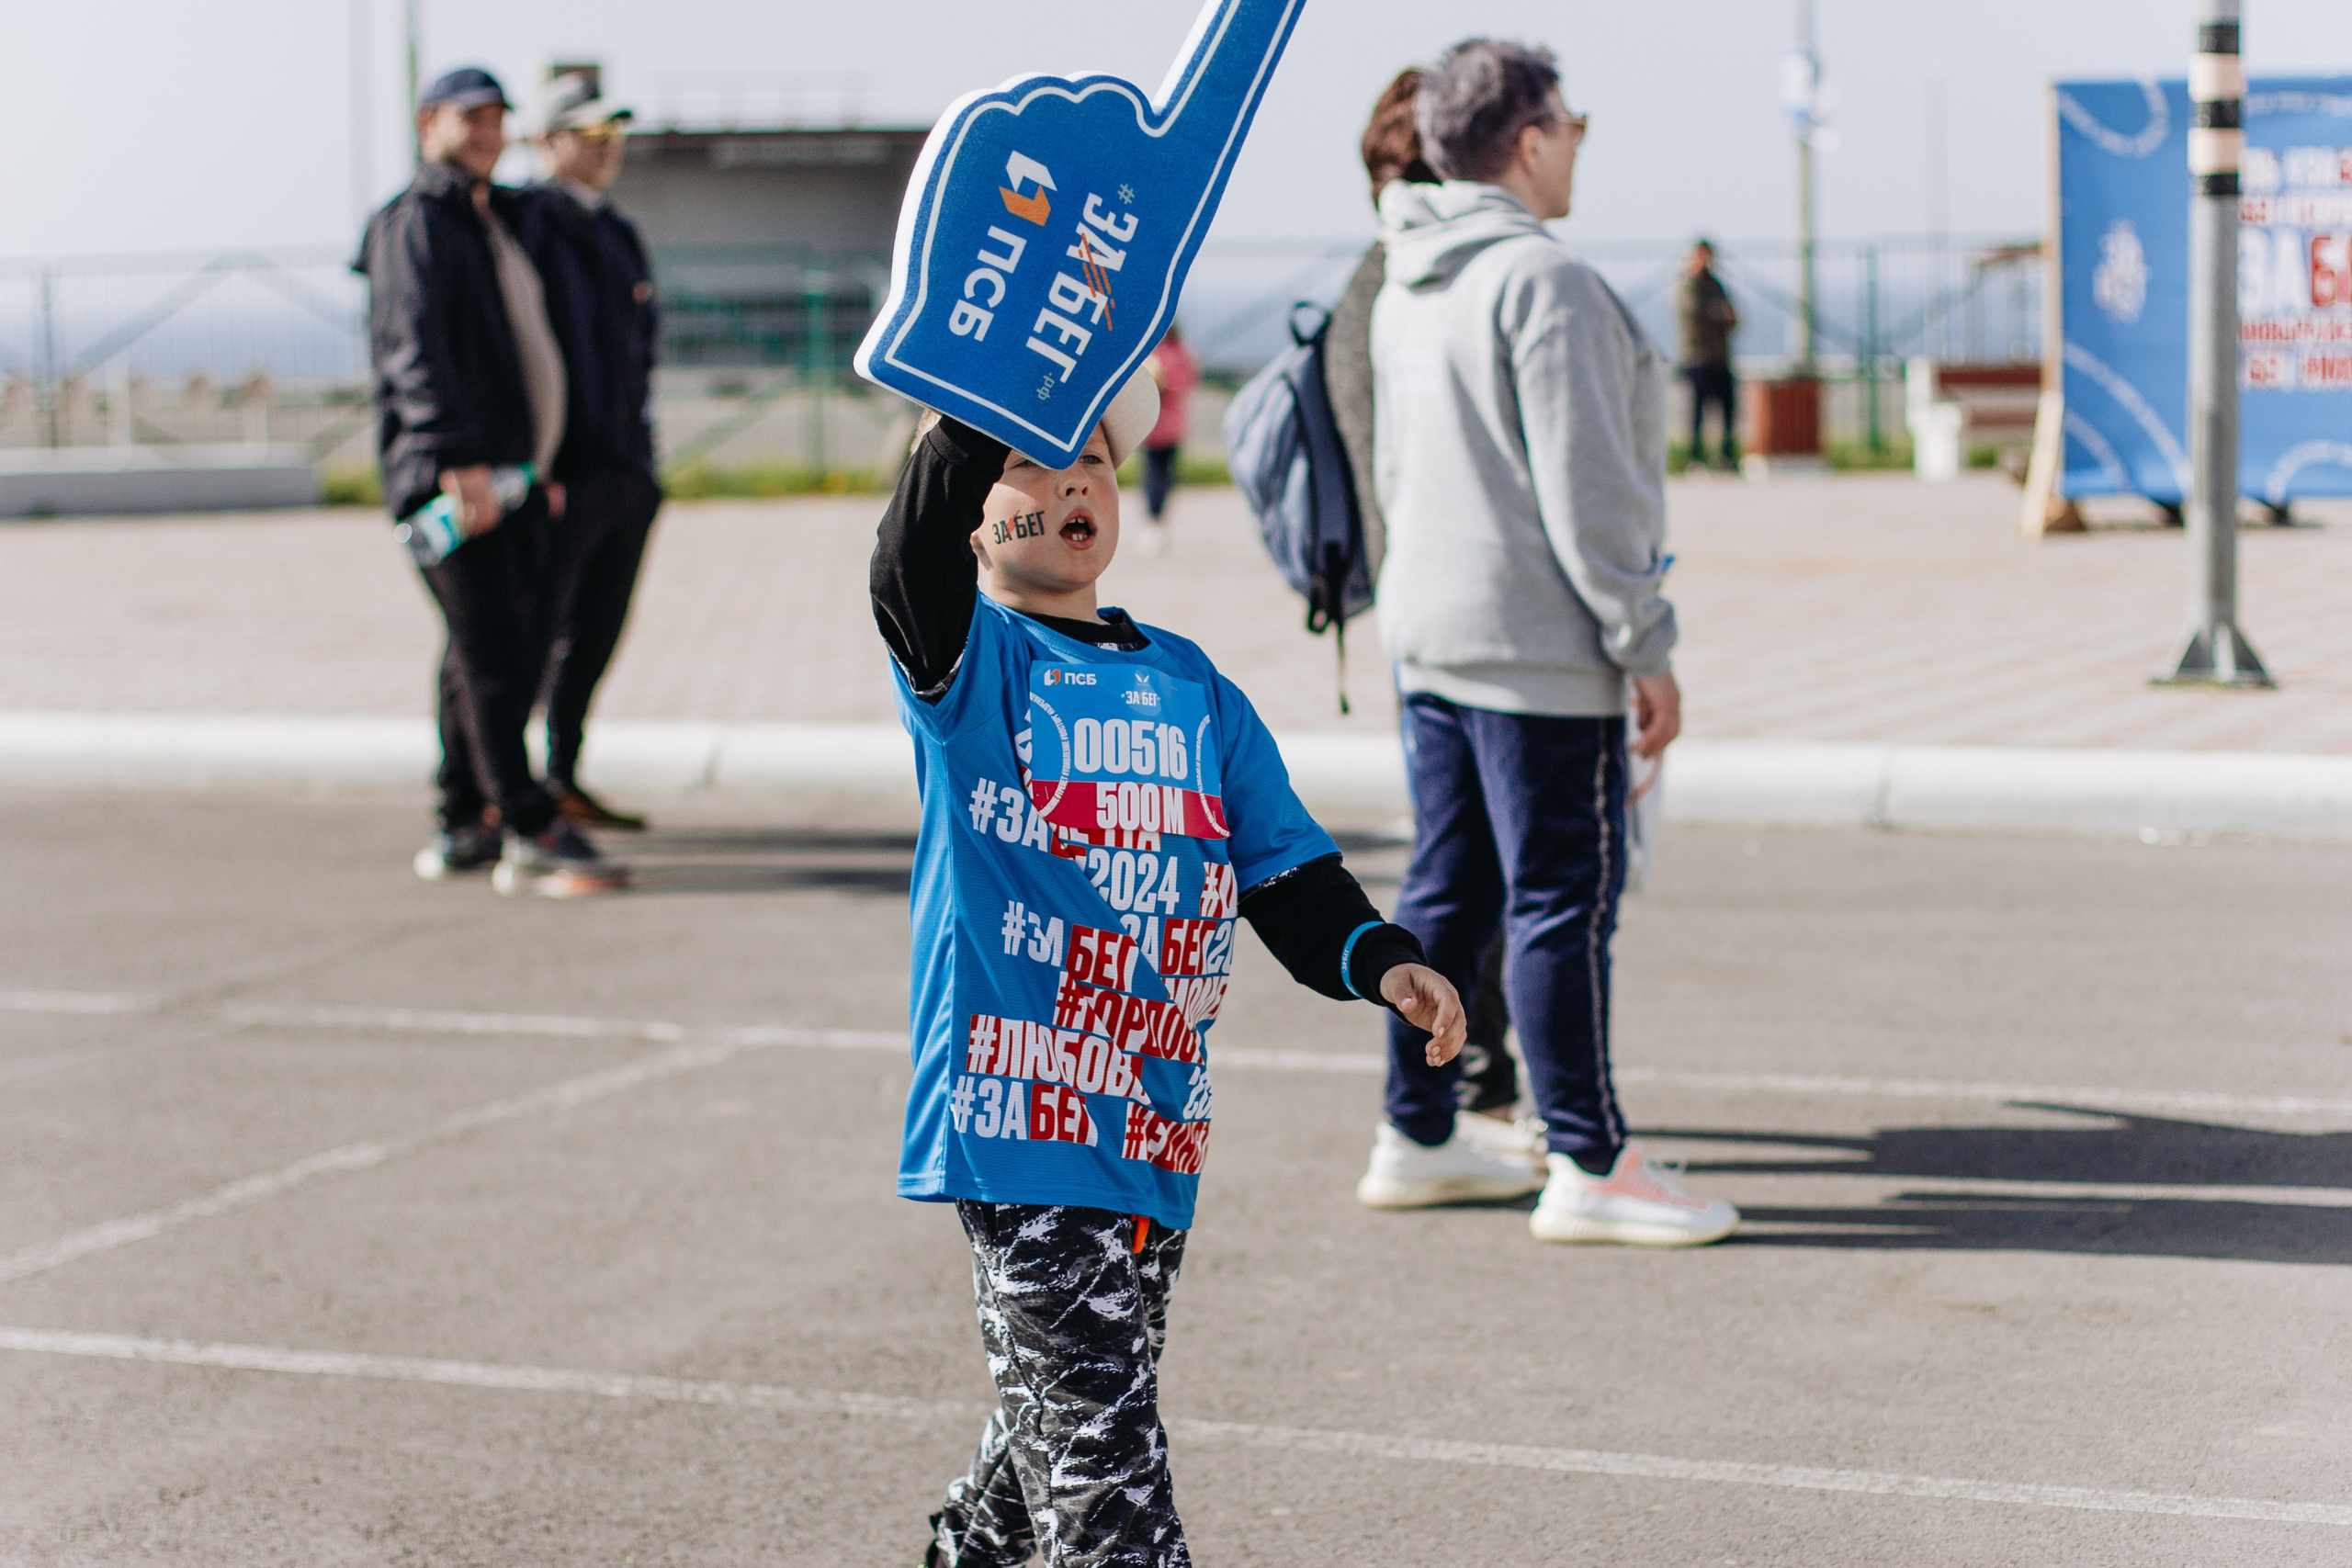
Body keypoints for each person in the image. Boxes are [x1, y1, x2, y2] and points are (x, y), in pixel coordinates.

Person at [873, 374, 1468, 1565]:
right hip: (1020, 1122)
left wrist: (1384, 958)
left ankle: (970, 1552)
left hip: (1151, 1126)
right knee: (1110, 1485)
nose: (1072, 481)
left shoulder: (1191, 683)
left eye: (1089, 458)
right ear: (975, 512)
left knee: (1064, 1408)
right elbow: (908, 555)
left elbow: (1286, 870)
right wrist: (992, 377)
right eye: (1029, 466)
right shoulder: (969, 666)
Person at [1360, 39, 1736, 1246]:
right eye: (1572, 122)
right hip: (1536, 648)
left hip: (1431, 636)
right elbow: (1594, 494)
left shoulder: (1409, 272)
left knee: (1449, 885)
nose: (1577, 141)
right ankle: (1586, 1153)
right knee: (1560, 897)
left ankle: (1415, 1128)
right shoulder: (1545, 282)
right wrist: (1646, 641)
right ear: (1528, 139)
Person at [357, 66, 626, 897]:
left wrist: (531, 470)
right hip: (456, 481)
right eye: (470, 118)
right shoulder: (417, 223)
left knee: (470, 653)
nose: (486, 132)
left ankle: (461, 818)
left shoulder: (487, 216)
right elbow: (415, 348)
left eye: (496, 118)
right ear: (427, 121)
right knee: (496, 648)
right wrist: (456, 460)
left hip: (507, 478)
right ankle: (526, 821)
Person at [1327, 70, 1531, 1152]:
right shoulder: (1400, 288)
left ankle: (1470, 1086)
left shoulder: (1381, 283)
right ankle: (1450, 1098)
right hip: (1446, 618)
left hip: (1419, 614)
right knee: (1468, 867)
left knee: (1472, 862)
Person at [518, 73, 664, 833]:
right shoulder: (527, 223)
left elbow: (639, 352)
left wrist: (642, 464)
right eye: (589, 135)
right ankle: (502, 789)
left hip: (624, 471)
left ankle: (561, 773)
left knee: (598, 630)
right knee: (533, 632)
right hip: (559, 476)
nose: (606, 149)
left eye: (615, 135)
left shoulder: (618, 231)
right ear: (548, 142)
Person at [1678, 238, 1739, 472]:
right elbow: (1694, 314)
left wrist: (1726, 317)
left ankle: (1726, 458)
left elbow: (1730, 317)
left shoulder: (1716, 285)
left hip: (1720, 359)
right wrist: (1719, 315)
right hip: (1697, 359)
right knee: (1697, 414)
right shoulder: (1687, 285)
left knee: (1728, 411)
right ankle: (1695, 459)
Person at [1137, 326, 1199, 550]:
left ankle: (1157, 519)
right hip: (1150, 426)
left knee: (1164, 475)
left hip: (1169, 427)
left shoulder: (1177, 353)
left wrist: (1163, 386)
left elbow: (1185, 385)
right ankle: (1153, 519)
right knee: (1152, 474)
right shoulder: (1152, 352)